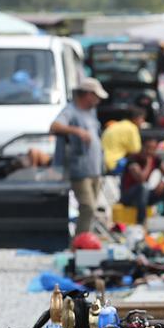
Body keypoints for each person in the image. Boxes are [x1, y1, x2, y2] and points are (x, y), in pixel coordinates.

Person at [49, 76, 107, 235]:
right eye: (96, 96)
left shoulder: (91, 112)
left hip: (94, 169)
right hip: (79, 169)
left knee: (92, 209)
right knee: (87, 207)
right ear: (88, 94)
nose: (98, 100)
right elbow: (54, 127)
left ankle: (86, 240)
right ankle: (80, 243)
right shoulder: (71, 111)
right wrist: (77, 131)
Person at [120, 137, 164, 224]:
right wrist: (148, 163)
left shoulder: (156, 159)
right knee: (143, 187)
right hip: (129, 197)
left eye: (153, 149)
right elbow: (141, 179)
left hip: (144, 196)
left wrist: (163, 182)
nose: (150, 151)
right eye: (148, 148)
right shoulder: (133, 160)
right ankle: (141, 221)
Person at [101, 106, 144, 172]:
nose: (143, 121)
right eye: (142, 118)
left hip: (102, 163)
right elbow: (136, 150)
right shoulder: (132, 128)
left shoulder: (114, 125)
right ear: (136, 118)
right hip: (116, 164)